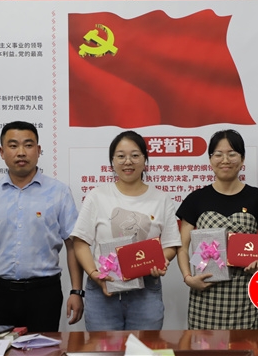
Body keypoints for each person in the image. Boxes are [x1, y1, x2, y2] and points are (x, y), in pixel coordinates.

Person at [0, 121, 84, 331]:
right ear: (2, 152)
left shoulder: (59, 192)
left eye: (28, 145)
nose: (21, 152)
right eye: (13, 145)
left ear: (38, 150)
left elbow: (73, 245)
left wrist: (76, 292)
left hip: (44, 294)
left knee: (44, 347)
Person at [70, 130, 181, 331]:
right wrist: (95, 274)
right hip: (102, 289)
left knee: (144, 347)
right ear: (112, 161)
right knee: (103, 348)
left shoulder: (161, 199)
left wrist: (159, 261)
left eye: (135, 155)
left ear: (145, 160)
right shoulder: (97, 196)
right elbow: (80, 242)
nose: (128, 161)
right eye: (121, 156)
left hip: (146, 290)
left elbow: (171, 244)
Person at [177, 129, 258, 329]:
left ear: (242, 158)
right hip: (205, 293)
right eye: (218, 154)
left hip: (246, 294)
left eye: (232, 154)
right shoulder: (196, 199)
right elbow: (182, 246)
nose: (225, 160)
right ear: (210, 159)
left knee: (246, 344)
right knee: (203, 345)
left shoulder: (257, 198)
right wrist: (188, 278)